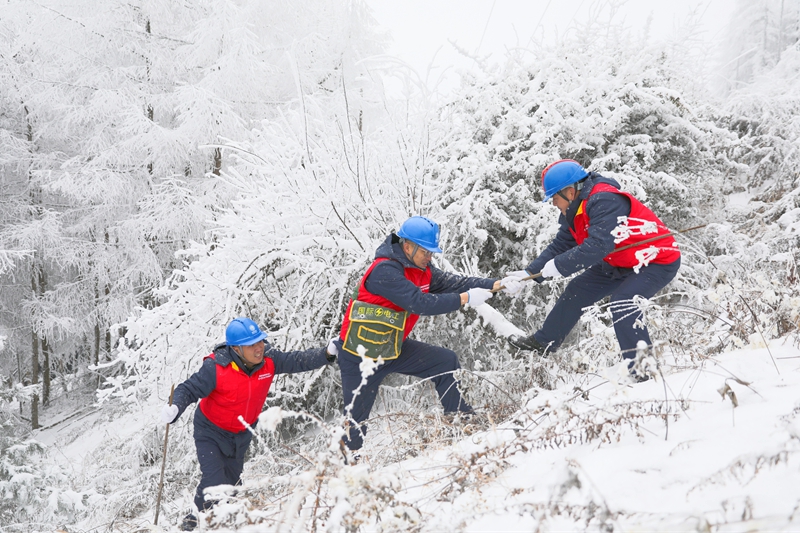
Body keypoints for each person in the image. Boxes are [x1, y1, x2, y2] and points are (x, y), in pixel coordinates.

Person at [336, 215, 523, 455]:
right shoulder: (384, 271)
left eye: (432, 252)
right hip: (359, 356)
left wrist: (496, 284)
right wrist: (465, 299)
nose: (430, 256)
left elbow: (453, 282)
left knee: (444, 361)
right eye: (426, 251)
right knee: (354, 424)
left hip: (392, 347)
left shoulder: (422, 268)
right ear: (407, 246)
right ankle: (347, 474)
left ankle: (462, 423)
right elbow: (419, 303)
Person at [507, 160, 681, 381]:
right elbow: (562, 244)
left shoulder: (604, 200)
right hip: (619, 262)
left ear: (570, 192)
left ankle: (643, 372)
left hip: (656, 261)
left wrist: (559, 266)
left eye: (554, 198)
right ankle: (544, 343)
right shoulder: (576, 209)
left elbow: (599, 245)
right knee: (578, 289)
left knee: (624, 303)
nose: (553, 204)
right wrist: (529, 274)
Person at [159, 317, 337, 531]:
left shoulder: (269, 360)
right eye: (251, 345)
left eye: (260, 341)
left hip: (241, 433)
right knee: (214, 478)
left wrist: (327, 353)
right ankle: (191, 524)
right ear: (236, 348)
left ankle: (215, 520)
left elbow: (298, 360)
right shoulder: (216, 367)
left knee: (232, 485)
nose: (259, 348)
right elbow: (189, 389)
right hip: (210, 431)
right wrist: (176, 406)